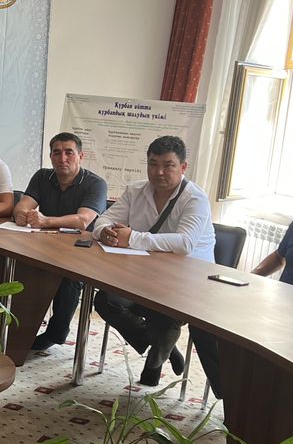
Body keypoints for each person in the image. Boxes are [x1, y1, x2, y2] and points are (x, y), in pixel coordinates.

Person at [92, 135, 215, 386]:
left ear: (183, 167)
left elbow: (184, 244)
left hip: (187, 284)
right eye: (153, 164)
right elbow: (102, 220)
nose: (159, 172)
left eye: (168, 165)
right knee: (106, 300)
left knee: (165, 315)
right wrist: (105, 232)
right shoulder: (136, 190)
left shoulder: (195, 198)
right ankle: (162, 347)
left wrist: (132, 238)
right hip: (143, 276)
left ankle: (156, 360)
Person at [13, 132, 108, 353]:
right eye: (57, 153)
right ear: (51, 156)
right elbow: (23, 205)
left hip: (81, 251)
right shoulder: (42, 176)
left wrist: (46, 221)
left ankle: (56, 333)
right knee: (19, 265)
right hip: (46, 245)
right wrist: (21, 215)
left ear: (81, 156)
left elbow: (83, 220)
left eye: (69, 153)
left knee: (69, 277)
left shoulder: (96, 184)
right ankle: (20, 329)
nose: (62, 158)